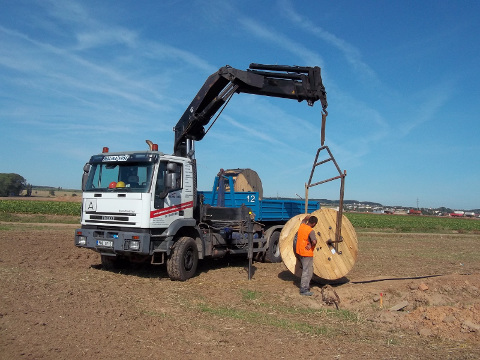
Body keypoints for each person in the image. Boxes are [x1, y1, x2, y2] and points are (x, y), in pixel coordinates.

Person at [295, 215, 318, 296]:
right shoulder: (310, 231)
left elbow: (303, 221)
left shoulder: (302, 226)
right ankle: (304, 289)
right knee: (306, 271)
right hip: (307, 254)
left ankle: (306, 285)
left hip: (300, 252)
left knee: (307, 270)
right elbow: (314, 241)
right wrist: (311, 246)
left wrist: (306, 217)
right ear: (314, 223)